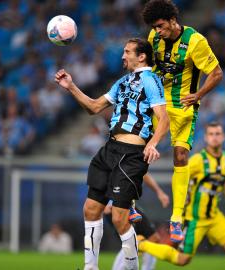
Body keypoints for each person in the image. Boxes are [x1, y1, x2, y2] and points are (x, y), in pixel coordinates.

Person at [55, 38, 169, 270]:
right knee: (90, 209)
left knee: (119, 217)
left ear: (142, 56)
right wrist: (71, 87)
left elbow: (164, 118)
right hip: (109, 150)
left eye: (127, 52)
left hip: (131, 154)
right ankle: (91, 267)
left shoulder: (151, 80)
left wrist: (153, 143)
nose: (123, 56)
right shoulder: (122, 82)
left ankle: (131, 267)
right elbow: (94, 107)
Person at [142, 0, 224, 243]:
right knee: (138, 149)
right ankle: (129, 203)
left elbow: (217, 73)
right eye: (154, 27)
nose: (157, 31)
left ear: (172, 20)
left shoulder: (195, 41)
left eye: (160, 26)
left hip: (183, 106)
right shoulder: (154, 38)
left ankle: (176, 218)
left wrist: (198, 95)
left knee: (180, 156)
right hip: (157, 105)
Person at [137, 122, 225, 270]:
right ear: (206, 138)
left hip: (214, 216)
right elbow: (180, 178)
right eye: (211, 134)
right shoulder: (198, 160)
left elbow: (223, 180)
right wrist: (185, 195)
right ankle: (142, 244)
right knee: (182, 259)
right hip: (195, 219)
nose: (214, 137)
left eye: (217, 134)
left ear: (223, 137)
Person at [108, 173, 170, 270]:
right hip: (116, 207)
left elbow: (144, 174)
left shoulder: (131, 162)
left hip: (129, 205)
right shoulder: (111, 161)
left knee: (153, 239)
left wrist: (159, 192)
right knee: (132, 241)